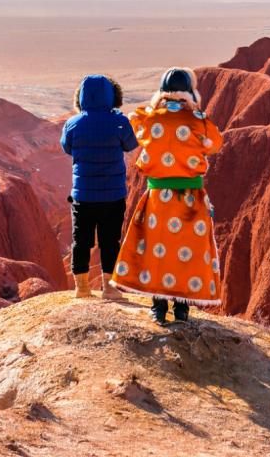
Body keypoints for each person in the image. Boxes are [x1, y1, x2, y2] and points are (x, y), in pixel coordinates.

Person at [111, 67, 224, 325]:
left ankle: (158, 307)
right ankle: (182, 309)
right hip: (189, 198)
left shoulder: (150, 119)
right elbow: (216, 143)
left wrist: (154, 109)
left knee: (156, 250)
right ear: (188, 93)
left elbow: (134, 121)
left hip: (158, 197)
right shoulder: (198, 121)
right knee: (187, 252)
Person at [60, 74, 139, 299]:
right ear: (112, 95)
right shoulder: (119, 122)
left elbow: (67, 147)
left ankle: (81, 288)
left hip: (82, 195)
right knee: (110, 241)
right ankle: (110, 288)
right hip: (113, 195)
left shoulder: (72, 124)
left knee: (81, 240)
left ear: (81, 97)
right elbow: (131, 144)